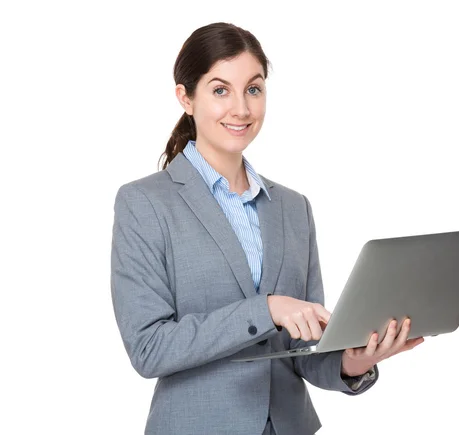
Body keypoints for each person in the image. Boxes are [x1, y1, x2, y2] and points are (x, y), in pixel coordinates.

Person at [110, 22, 425, 435]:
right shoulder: (145, 203)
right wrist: (268, 308)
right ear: (185, 97)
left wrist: (355, 361)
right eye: (220, 90)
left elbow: (303, 349)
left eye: (253, 89)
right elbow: (149, 349)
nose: (241, 108)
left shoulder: (294, 208)